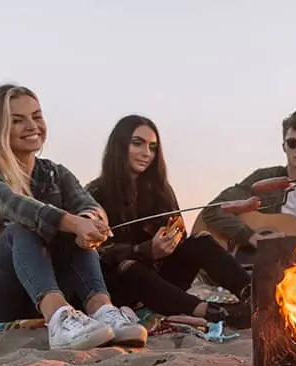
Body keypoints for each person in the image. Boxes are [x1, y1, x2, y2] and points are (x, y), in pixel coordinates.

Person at [0, 84, 148, 350]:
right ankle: (59, 319)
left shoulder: (54, 172)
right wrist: (72, 222)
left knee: (74, 232)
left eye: (37, 116)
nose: (32, 126)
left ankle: (102, 310)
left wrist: (90, 220)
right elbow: (9, 202)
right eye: (17, 120)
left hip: (32, 294)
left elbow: (88, 204)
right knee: (26, 226)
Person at [86, 115, 253, 329]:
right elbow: (97, 254)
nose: (146, 153)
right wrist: (146, 250)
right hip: (124, 286)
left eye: (153, 147)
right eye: (137, 143)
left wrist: (172, 239)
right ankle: (211, 312)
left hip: (164, 284)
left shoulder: (160, 190)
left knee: (200, 241)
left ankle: (253, 294)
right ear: (119, 145)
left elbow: (179, 233)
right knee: (129, 268)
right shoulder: (96, 192)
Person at [197, 110, 296, 262]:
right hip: (261, 268)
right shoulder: (263, 180)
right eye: (292, 143)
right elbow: (214, 209)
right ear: (284, 146)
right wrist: (249, 237)